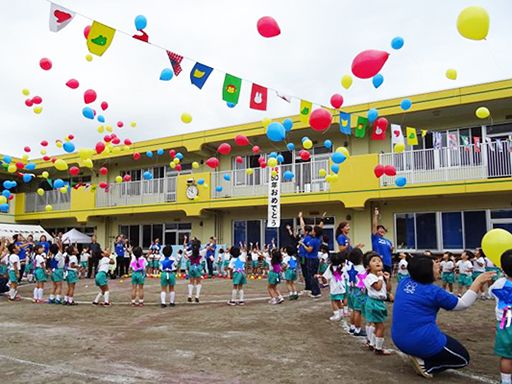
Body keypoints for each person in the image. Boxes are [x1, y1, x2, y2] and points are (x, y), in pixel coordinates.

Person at [392, 255, 494, 378]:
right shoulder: (433, 292)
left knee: (446, 342)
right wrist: (478, 281)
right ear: (426, 272)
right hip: (419, 340)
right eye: (436, 268)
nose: (438, 270)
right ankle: (427, 365)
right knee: (463, 358)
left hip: (398, 338)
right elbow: (463, 304)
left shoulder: (404, 282)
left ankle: (416, 353)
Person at [488, 250, 512, 384]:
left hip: (505, 324)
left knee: (507, 356)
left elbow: (490, 293)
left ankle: (506, 381)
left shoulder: (499, 283)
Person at [316, 252, 346, 321]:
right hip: (342, 287)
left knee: (334, 301)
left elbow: (325, 277)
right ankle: (341, 313)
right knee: (339, 301)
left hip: (334, 288)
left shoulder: (330, 267)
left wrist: (323, 281)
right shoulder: (342, 267)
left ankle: (336, 315)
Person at [299, 225, 323, 298]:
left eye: (313, 230)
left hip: (311, 259)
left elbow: (309, 250)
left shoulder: (313, 241)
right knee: (314, 275)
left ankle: (315, 292)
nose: (312, 232)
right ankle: (317, 291)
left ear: (315, 232)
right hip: (315, 258)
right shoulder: (318, 240)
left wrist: (302, 244)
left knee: (311, 275)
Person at [371, 208, 394, 274]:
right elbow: (374, 225)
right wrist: (375, 215)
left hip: (388, 264)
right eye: (380, 229)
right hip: (379, 263)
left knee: (387, 280)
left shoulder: (388, 241)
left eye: (383, 229)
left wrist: (391, 249)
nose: (382, 230)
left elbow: (390, 252)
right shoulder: (375, 237)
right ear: (376, 231)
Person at [186, 238, 203, 303]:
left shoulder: (190, 252)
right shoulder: (201, 252)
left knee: (191, 282)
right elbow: (208, 248)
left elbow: (185, 253)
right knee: (198, 282)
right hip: (198, 267)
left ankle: (190, 296)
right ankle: (197, 296)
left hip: (191, 267)